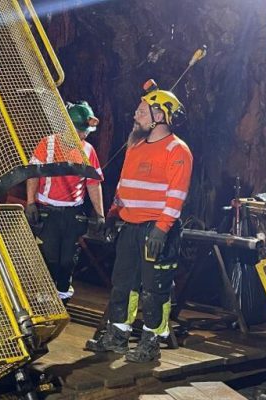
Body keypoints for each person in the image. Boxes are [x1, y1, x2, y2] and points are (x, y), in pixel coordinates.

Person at [85, 84, 193, 363]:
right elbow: (124, 184)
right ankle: (118, 336)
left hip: (157, 230)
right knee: (123, 284)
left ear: (161, 116)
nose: (136, 114)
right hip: (130, 228)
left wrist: (162, 228)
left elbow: (176, 194)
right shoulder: (135, 146)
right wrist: (112, 213)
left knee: (155, 288)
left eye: (143, 110)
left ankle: (151, 342)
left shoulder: (177, 150)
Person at [25, 101, 105, 304]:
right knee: (49, 256)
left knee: (68, 260)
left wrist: (100, 214)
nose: (84, 135)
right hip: (48, 210)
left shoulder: (88, 150)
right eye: (80, 131)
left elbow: (93, 184)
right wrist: (30, 203)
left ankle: (62, 298)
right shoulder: (48, 144)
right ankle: (43, 298)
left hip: (73, 213)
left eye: (86, 132)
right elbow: (33, 174)